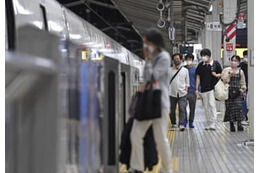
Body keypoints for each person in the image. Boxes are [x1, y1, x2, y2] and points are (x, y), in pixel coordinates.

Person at [130, 28, 173, 173]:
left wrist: (148, 61)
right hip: (147, 103)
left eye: (146, 43)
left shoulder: (164, 57)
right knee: (135, 134)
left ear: (154, 43)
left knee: (161, 139)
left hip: (159, 104)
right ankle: (137, 167)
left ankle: (167, 169)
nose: (145, 46)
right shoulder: (153, 57)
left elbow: (152, 77)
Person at [195, 48, 222, 130]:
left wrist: (216, 75)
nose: (203, 57)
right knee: (206, 106)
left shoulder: (215, 64)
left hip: (213, 88)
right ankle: (209, 122)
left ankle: (213, 122)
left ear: (209, 56)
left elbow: (221, 73)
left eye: (204, 55)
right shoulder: (200, 65)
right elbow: (198, 77)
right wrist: (197, 88)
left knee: (212, 104)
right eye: (202, 56)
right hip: (203, 89)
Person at [221, 55, 247, 132]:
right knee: (230, 108)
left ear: (239, 62)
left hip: (238, 92)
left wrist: (243, 90)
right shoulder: (226, 70)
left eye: (235, 61)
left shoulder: (241, 71)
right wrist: (229, 74)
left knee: (238, 107)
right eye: (232, 60)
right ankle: (231, 124)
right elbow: (224, 79)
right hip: (228, 92)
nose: (233, 62)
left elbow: (242, 82)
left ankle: (239, 124)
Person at [168, 53, 189, 131]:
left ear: (181, 60)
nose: (176, 61)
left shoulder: (185, 70)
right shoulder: (169, 70)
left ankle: (181, 124)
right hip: (171, 93)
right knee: (171, 109)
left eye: (178, 59)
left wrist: (186, 88)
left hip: (182, 93)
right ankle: (173, 123)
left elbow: (187, 81)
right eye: (175, 59)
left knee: (182, 108)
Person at [184, 53, 197, 128]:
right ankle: (185, 120)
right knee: (183, 107)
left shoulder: (195, 69)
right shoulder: (183, 69)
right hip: (184, 91)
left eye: (190, 59)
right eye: (187, 59)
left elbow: (198, 80)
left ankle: (191, 122)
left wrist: (198, 89)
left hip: (192, 91)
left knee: (192, 107)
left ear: (192, 60)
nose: (189, 61)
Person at [239, 50, 249, 124]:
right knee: (244, 102)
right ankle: (243, 117)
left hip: (250, 86)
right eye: (246, 56)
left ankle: (246, 117)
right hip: (244, 86)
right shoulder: (241, 65)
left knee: (247, 102)